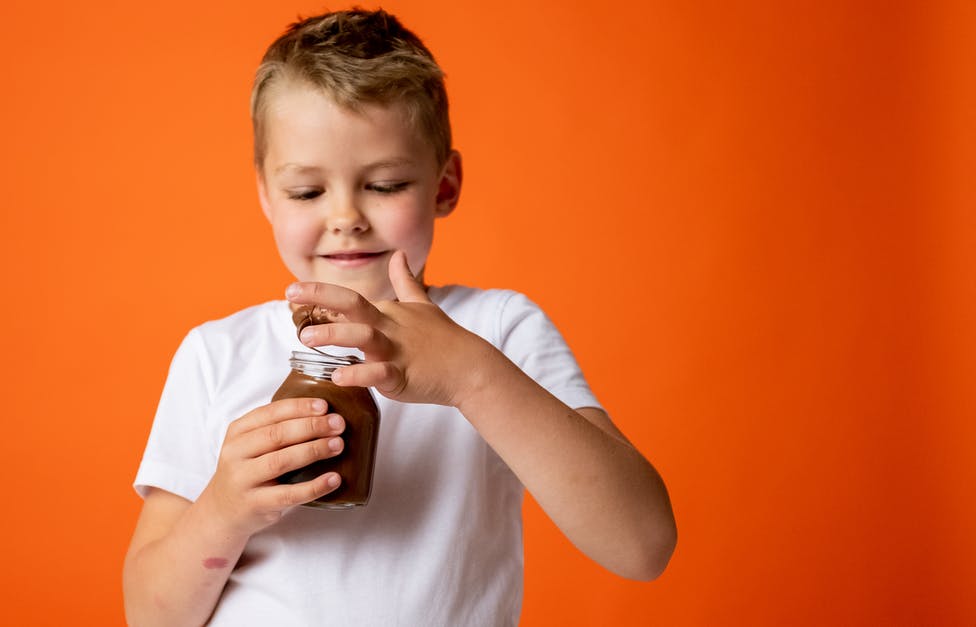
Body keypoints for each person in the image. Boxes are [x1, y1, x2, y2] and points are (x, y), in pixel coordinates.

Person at [123, 9, 676, 626]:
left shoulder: (495, 330)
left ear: (444, 185)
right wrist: (224, 509)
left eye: (384, 184)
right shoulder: (215, 354)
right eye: (307, 191)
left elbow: (643, 547)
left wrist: (474, 378)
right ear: (265, 195)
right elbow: (151, 616)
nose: (346, 217)